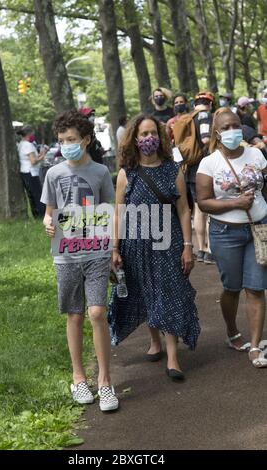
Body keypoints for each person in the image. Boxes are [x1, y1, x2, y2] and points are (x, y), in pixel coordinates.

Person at [108, 114, 200, 381]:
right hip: (135, 245)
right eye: (143, 134)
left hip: (167, 243)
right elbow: (118, 213)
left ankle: (173, 357)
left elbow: (184, 210)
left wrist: (188, 246)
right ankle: (155, 342)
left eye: (152, 134)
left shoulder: (173, 171)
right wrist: (115, 248)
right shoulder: (127, 173)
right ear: (134, 140)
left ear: (160, 138)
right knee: (144, 292)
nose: (148, 138)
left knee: (168, 292)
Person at [41, 110, 119, 411]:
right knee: (74, 314)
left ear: (86, 140)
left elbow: (109, 211)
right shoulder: (53, 173)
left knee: (97, 312)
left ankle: (105, 382)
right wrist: (48, 222)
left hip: (97, 251)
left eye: (71, 139)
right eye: (61, 140)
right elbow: (49, 211)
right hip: (66, 255)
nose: (66, 144)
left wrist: (113, 248)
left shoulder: (100, 172)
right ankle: (78, 377)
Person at [196, 108, 267, 368]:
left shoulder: (256, 155)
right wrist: (236, 202)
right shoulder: (209, 163)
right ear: (217, 133)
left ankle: (257, 345)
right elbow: (203, 202)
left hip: (258, 229)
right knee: (232, 288)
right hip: (225, 233)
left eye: (235, 125)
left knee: (256, 287)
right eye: (225, 128)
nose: (231, 131)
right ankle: (232, 331)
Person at [175, 91, 215, 264]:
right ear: (210, 104)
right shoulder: (205, 116)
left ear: (193, 104)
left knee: (199, 209)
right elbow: (206, 139)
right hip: (204, 168)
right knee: (210, 208)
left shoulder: (187, 118)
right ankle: (210, 250)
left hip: (190, 170)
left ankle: (201, 249)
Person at [17, 125, 47, 218]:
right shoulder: (28, 145)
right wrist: (43, 155)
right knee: (38, 195)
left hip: (25, 172)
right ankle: (42, 214)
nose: (34, 135)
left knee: (32, 195)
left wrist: (41, 154)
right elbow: (33, 161)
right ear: (29, 134)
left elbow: (32, 158)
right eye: (33, 133)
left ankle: (36, 215)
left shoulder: (21, 144)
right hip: (31, 172)